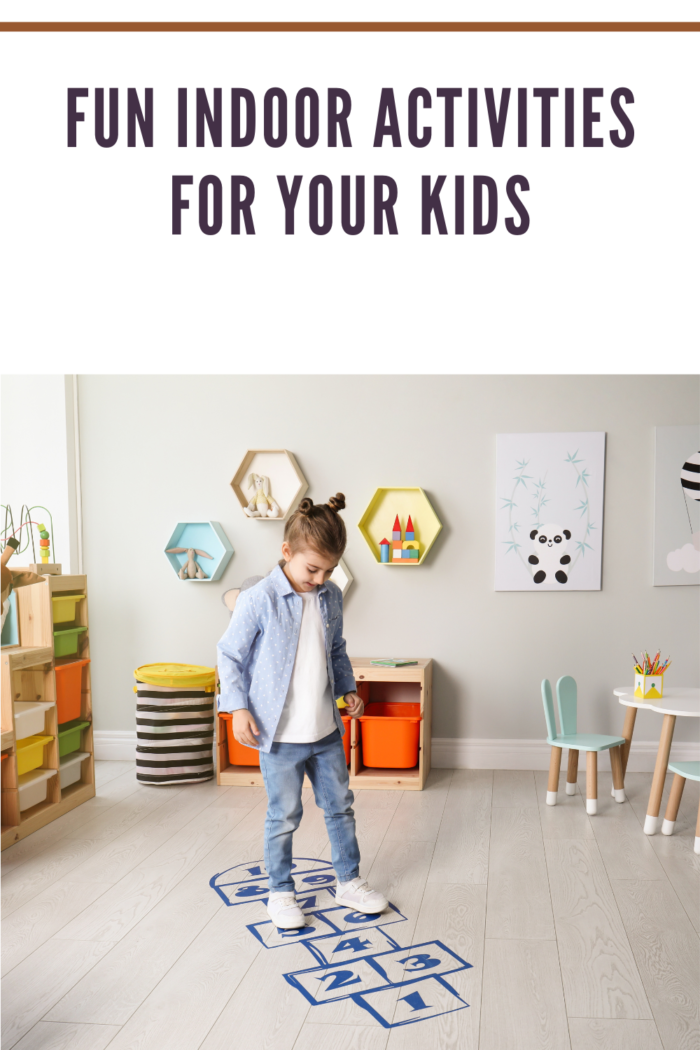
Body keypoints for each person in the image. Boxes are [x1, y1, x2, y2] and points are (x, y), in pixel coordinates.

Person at [217, 492, 388, 930]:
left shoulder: (330, 596)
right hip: (279, 735)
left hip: (324, 730)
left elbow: (336, 649)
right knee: (284, 814)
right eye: (312, 568)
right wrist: (237, 709)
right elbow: (230, 655)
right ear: (287, 552)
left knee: (340, 806)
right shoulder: (260, 599)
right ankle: (280, 891)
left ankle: (348, 881)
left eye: (329, 570)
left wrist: (348, 688)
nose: (320, 577)